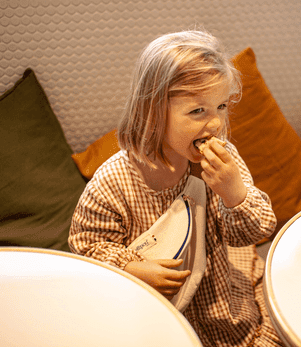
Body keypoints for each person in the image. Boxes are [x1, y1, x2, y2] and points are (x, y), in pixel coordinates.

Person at [69, 30, 282, 346]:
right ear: (154, 111)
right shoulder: (112, 183)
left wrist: (233, 192)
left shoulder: (223, 162)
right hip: (158, 317)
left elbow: (254, 231)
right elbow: (86, 245)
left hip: (225, 306)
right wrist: (133, 268)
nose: (215, 124)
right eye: (198, 111)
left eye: (221, 106)